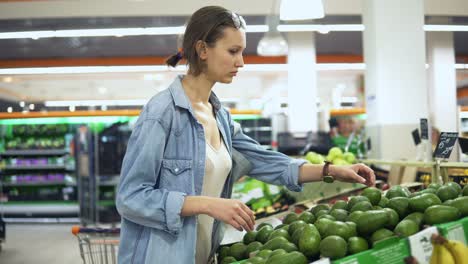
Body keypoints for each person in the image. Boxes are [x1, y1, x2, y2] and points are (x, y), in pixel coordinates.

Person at [115, 6, 376, 264]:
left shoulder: (221, 118)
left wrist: (332, 171)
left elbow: (266, 161)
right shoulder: (161, 113)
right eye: (233, 51)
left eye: (242, 51)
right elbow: (131, 197)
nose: (241, 62)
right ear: (202, 49)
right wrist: (207, 204)